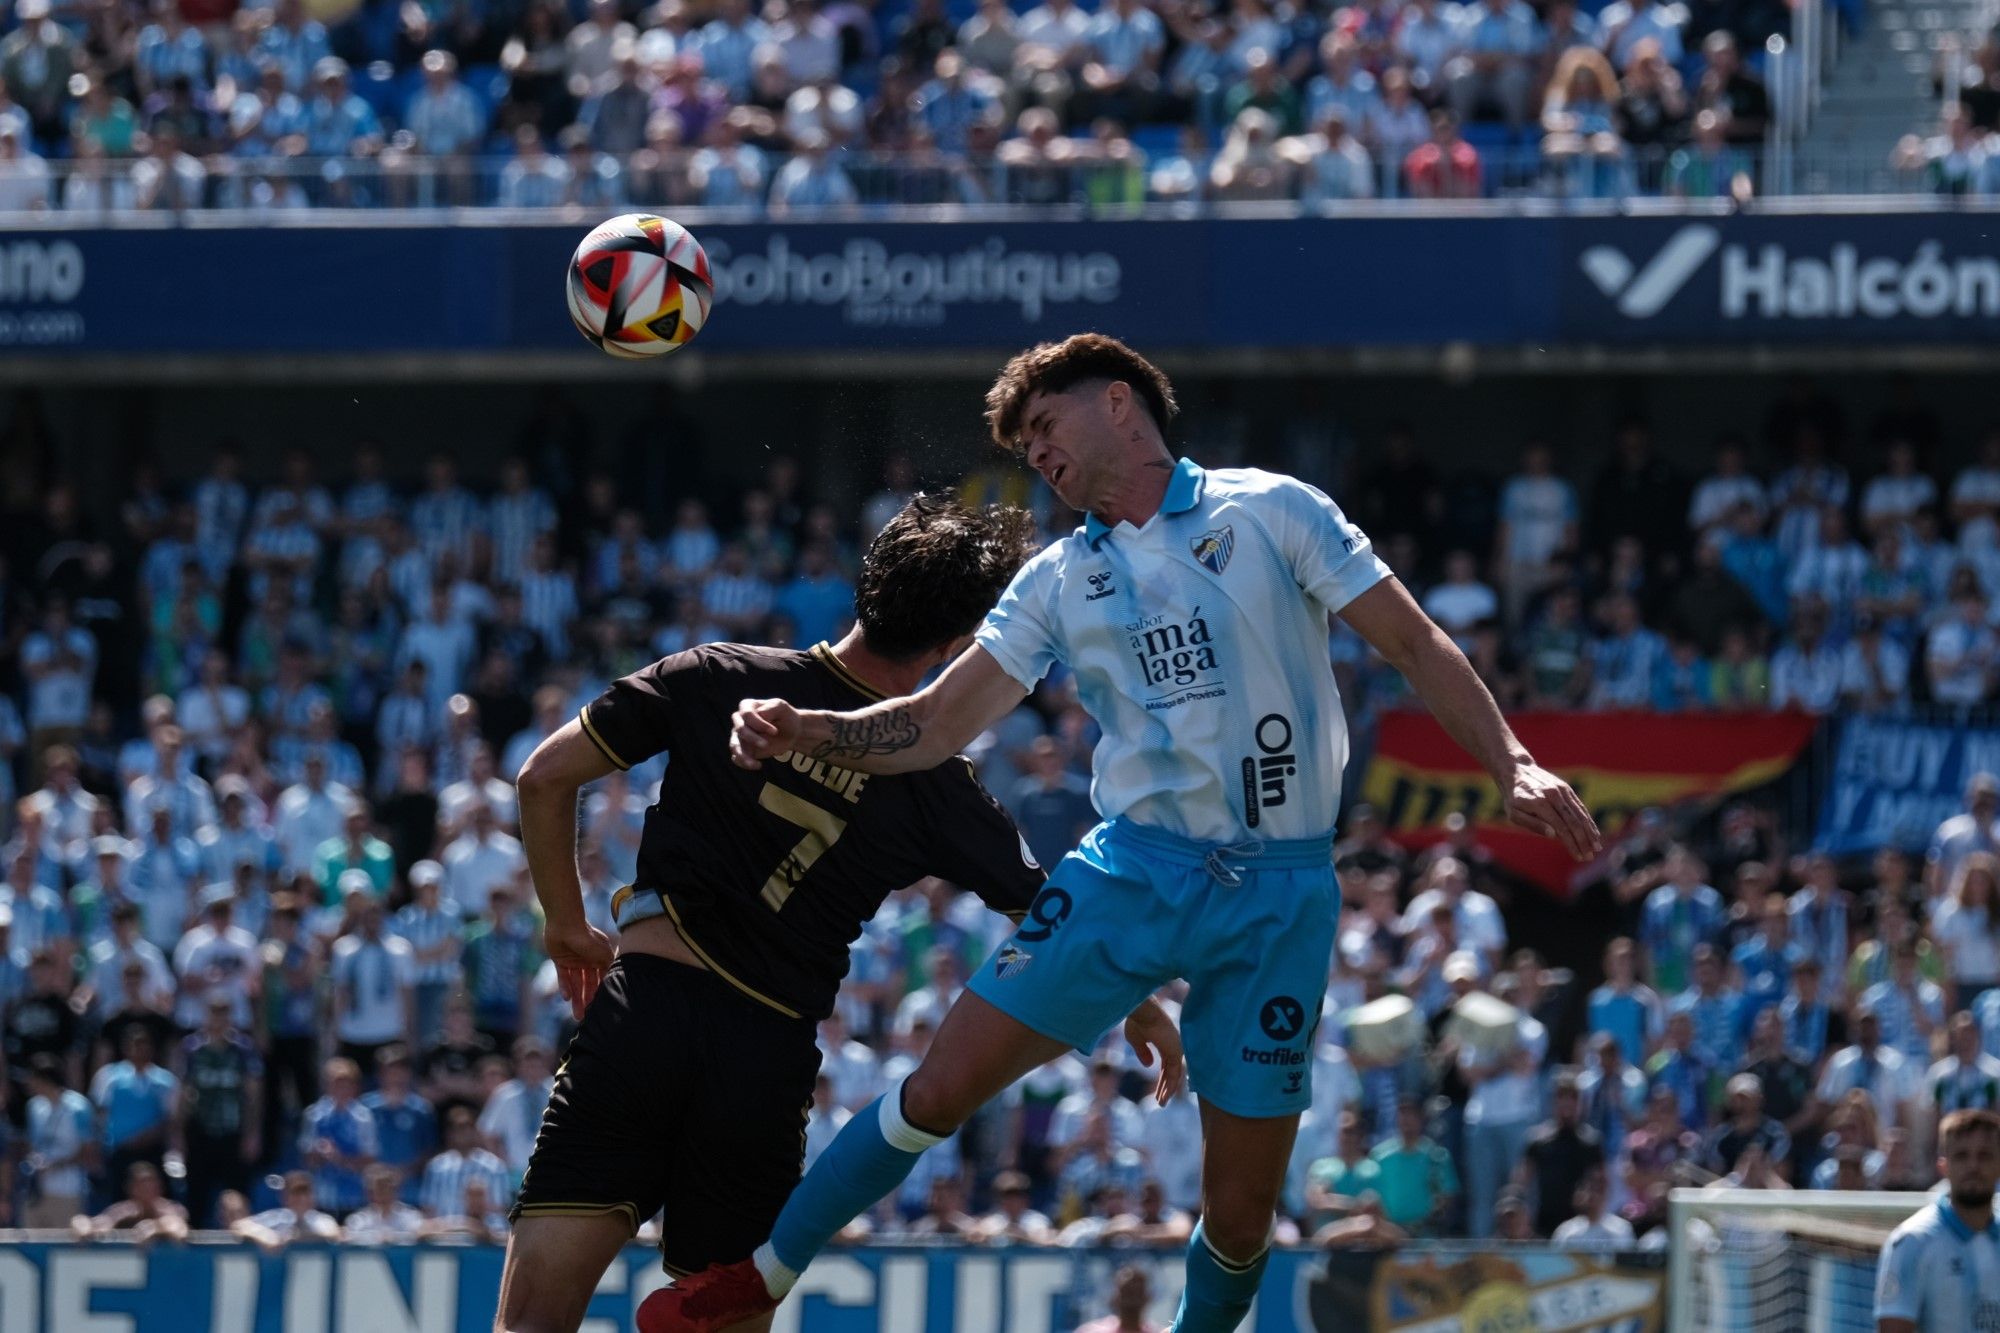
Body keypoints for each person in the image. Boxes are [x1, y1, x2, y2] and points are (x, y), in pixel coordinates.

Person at [661, 333, 1598, 1332]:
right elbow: (932, 724)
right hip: (1128, 871)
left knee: (1238, 1218)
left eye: (1044, 428)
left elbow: (1413, 641)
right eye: (1024, 448)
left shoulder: (1273, 510)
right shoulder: (1057, 578)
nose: (1038, 457)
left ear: (1116, 403)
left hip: (1280, 891)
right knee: (937, 1084)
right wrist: (812, 728)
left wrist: (1512, 761)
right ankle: (758, 1278)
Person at [494, 496, 1179, 1333]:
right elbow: (1061, 918)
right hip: (765, 1060)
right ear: (955, 645)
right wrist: (1141, 1004)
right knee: (716, 1323)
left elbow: (541, 777)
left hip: (645, 1019)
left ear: (865, 586)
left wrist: (566, 925)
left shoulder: (719, 675)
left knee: (531, 1323)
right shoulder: (938, 786)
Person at [1875, 1108, 2000, 1332]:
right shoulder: (1913, 1241)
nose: (1973, 1166)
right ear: (1943, 1166)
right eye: (1962, 1155)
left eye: (1984, 1155)